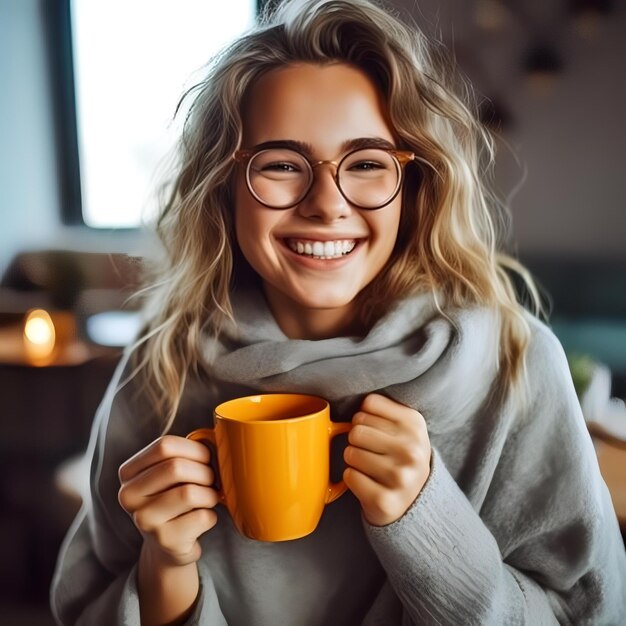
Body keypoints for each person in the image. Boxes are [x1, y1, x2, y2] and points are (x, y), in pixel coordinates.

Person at [51, 0, 626, 624]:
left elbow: (589, 612)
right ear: (223, 184)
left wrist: (430, 528)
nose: (327, 204)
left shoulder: (513, 364)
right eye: (280, 165)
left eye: (368, 164)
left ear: (413, 184)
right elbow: (82, 607)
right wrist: (163, 569)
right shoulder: (159, 368)